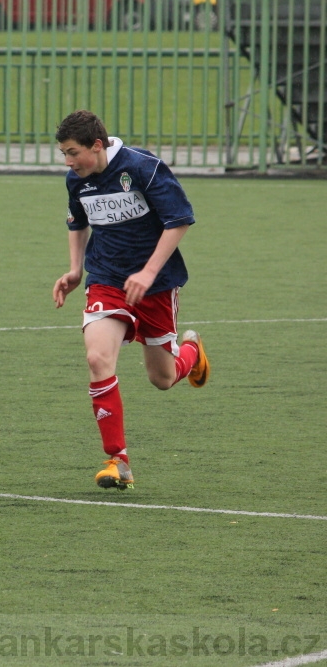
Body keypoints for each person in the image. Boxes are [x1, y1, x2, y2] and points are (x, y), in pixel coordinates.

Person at [52, 109, 210, 490]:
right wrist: (75, 270)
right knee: (97, 357)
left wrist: (149, 272)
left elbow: (180, 219)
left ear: (97, 145)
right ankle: (117, 461)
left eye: (74, 153)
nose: (69, 162)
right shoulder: (77, 180)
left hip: (156, 284)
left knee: (162, 377)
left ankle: (191, 352)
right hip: (105, 278)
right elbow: (78, 221)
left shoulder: (143, 168)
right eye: (64, 155)